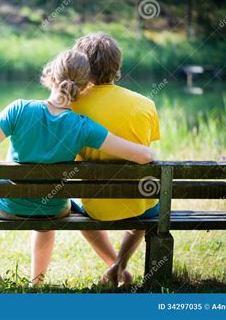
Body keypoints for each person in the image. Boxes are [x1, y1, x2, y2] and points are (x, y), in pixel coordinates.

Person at [0, 49, 155, 284]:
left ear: (50, 77)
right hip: (55, 208)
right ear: (86, 86)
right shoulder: (83, 125)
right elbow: (144, 156)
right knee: (45, 214)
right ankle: (36, 283)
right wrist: (148, 150)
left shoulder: (19, 109)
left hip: (10, 205)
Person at [71, 32, 161, 287]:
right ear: (117, 64)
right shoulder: (145, 104)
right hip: (139, 203)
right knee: (145, 203)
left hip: (95, 206)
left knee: (72, 206)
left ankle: (116, 269)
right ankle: (119, 267)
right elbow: (144, 152)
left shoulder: (72, 106)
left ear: (82, 65)